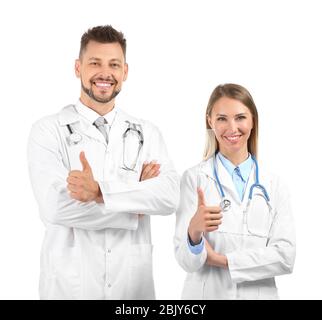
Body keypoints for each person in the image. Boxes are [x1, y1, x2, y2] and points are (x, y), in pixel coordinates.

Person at [27, 25, 180, 300]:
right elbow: (56, 207)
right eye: (94, 63)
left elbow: (169, 197)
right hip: (69, 287)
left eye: (114, 64)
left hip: (133, 291)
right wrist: (136, 204)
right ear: (78, 68)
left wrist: (98, 192)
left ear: (125, 72)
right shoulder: (48, 130)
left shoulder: (147, 132)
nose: (105, 73)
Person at [174, 83, 296, 299]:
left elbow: (285, 257)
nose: (232, 128)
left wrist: (222, 261)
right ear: (210, 121)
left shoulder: (275, 185)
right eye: (222, 118)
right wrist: (193, 233)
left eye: (240, 117)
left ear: (253, 121)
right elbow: (186, 261)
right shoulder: (194, 178)